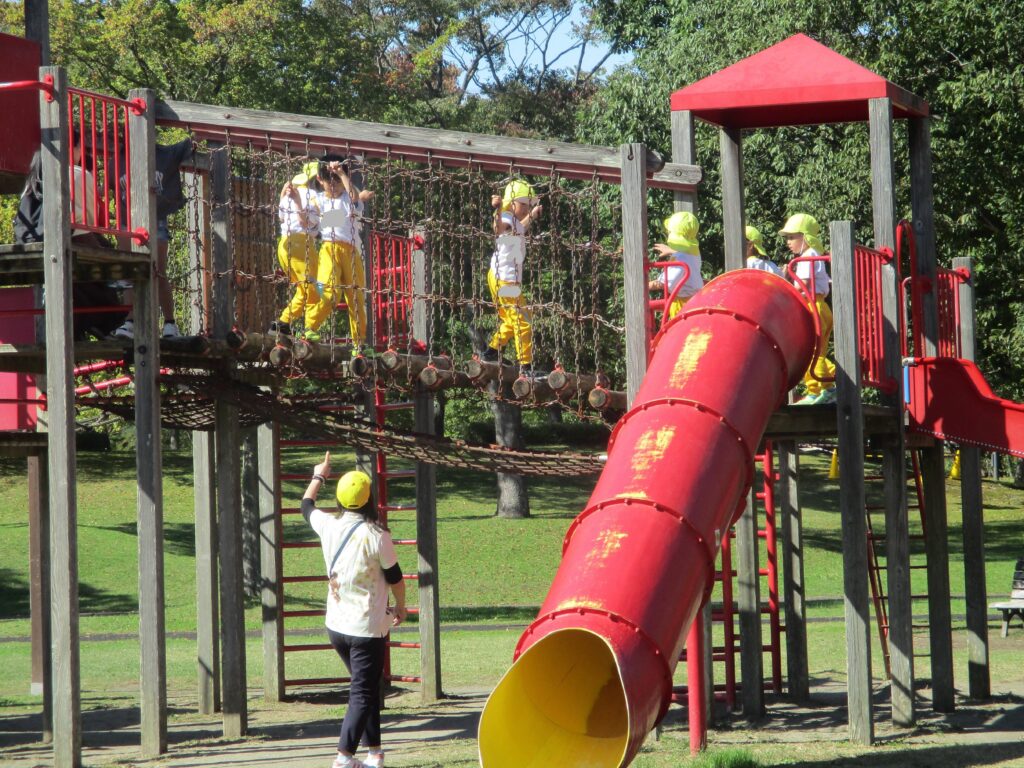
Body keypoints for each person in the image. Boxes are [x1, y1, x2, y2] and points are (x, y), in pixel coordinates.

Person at [302, 453, 406, 768]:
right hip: (366, 629)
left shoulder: (328, 525)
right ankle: (344, 757)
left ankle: (374, 753)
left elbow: (305, 505)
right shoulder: (377, 536)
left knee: (369, 685)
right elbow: (396, 578)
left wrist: (319, 475)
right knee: (362, 692)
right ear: (370, 499)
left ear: (340, 498)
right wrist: (401, 606)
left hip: (337, 626)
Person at [14, 146, 126, 340]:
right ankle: (117, 323)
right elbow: (88, 221)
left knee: (71, 277)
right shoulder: (76, 174)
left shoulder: (30, 184)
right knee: (112, 269)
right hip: (65, 239)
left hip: (31, 244)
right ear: (70, 148)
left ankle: (85, 324)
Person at [113, 138, 194, 339]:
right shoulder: (118, 158)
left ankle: (169, 324)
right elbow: (110, 187)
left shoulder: (164, 154)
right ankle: (130, 322)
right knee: (129, 273)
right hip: (127, 223)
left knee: (158, 272)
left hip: (155, 220)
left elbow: (190, 143)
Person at [305, 156, 374, 350]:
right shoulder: (317, 199)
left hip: (352, 252)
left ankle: (359, 343)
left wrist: (341, 173)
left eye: (338, 181)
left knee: (357, 298)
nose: (334, 185)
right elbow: (315, 222)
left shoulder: (349, 197)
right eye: (329, 180)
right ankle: (310, 326)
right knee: (330, 292)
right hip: (329, 248)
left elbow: (353, 198)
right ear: (320, 179)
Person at [480, 179, 542, 368]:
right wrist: (497, 209)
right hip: (505, 281)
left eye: (528, 205)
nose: (525, 208)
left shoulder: (514, 221)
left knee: (510, 319)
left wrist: (532, 214)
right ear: (511, 202)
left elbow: (521, 227)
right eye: (523, 204)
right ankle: (526, 365)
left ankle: (491, 352)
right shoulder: (505, 216)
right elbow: (498, 228)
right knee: (523, 321)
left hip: (498, 277)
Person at [779, 213, 837, 404]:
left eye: (792, 237)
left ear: (804, 237)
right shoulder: (813, 254)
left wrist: (788, 281)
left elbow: (801, 284)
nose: (788, 242)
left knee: (812, 353)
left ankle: (823, 389)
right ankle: (828, 384)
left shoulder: (807, 256)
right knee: (817, 352)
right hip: (820, 306)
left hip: (814, 306)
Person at [268, 161, 321, 337]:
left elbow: (282, 218)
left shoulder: (286, 197)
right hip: (301, 246)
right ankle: (308, 328)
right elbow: (312, 221)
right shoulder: (314, 195)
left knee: (303, 290)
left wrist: (283, 192)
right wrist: (349, 217)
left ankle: (283, 323)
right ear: (316, 179)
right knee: (313, 290)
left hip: (284, 246)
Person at [647, 210, 703, 318]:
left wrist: (644, 286)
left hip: (683, 305)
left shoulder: (679, 260)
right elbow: (687, 257)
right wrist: (671, 251)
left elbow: (662, 283)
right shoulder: (693, 251)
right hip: (695, 299)